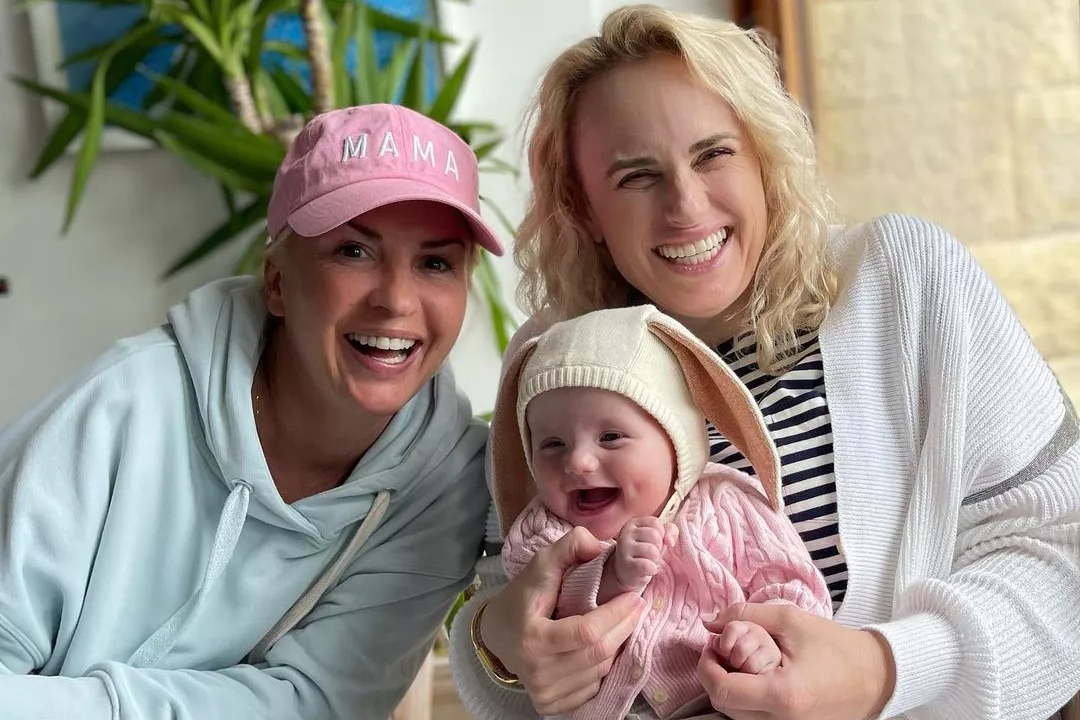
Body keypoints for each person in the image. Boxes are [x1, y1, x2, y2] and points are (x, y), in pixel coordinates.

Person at [449, 6, 1080, 720]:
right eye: (635, 176)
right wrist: (502, 645)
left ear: (763, 157)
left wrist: (881, 669)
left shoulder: (904, 280)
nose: (686, 206)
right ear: (584, 207)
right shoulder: (556, 353)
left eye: (713, 154)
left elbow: (1064, 547)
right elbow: (498, 599)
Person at [0, 103, 504, 720]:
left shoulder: (446, 482)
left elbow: (318, 704)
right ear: (276, 282)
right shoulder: (123, 404)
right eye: (353, 251)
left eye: (435, 263)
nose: (397, 300)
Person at [493, 304, 832, 720]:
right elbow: (534, 619)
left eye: (611, 437)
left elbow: (793, 587)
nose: (578, 461)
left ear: (677, 440)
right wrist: (609, 574)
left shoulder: (728, 504)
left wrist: (761, 641)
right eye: (552, 444)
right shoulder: (542, 530)